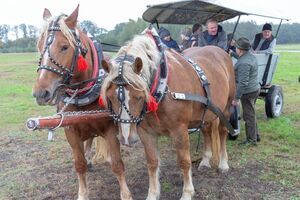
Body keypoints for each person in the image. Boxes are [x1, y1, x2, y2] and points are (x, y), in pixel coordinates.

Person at [232, 37, 261, 146]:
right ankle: (256, 136)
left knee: (248, 116)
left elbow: (243, 83)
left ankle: (251, 140)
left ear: (240, 49)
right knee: (251, 114)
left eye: (236, 48)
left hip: (248, 92)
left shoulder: (243, 63)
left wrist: (236, 98)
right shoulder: (250, 56)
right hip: (255, 89)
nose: (235, 49)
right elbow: (242, 59)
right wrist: (232, 54)